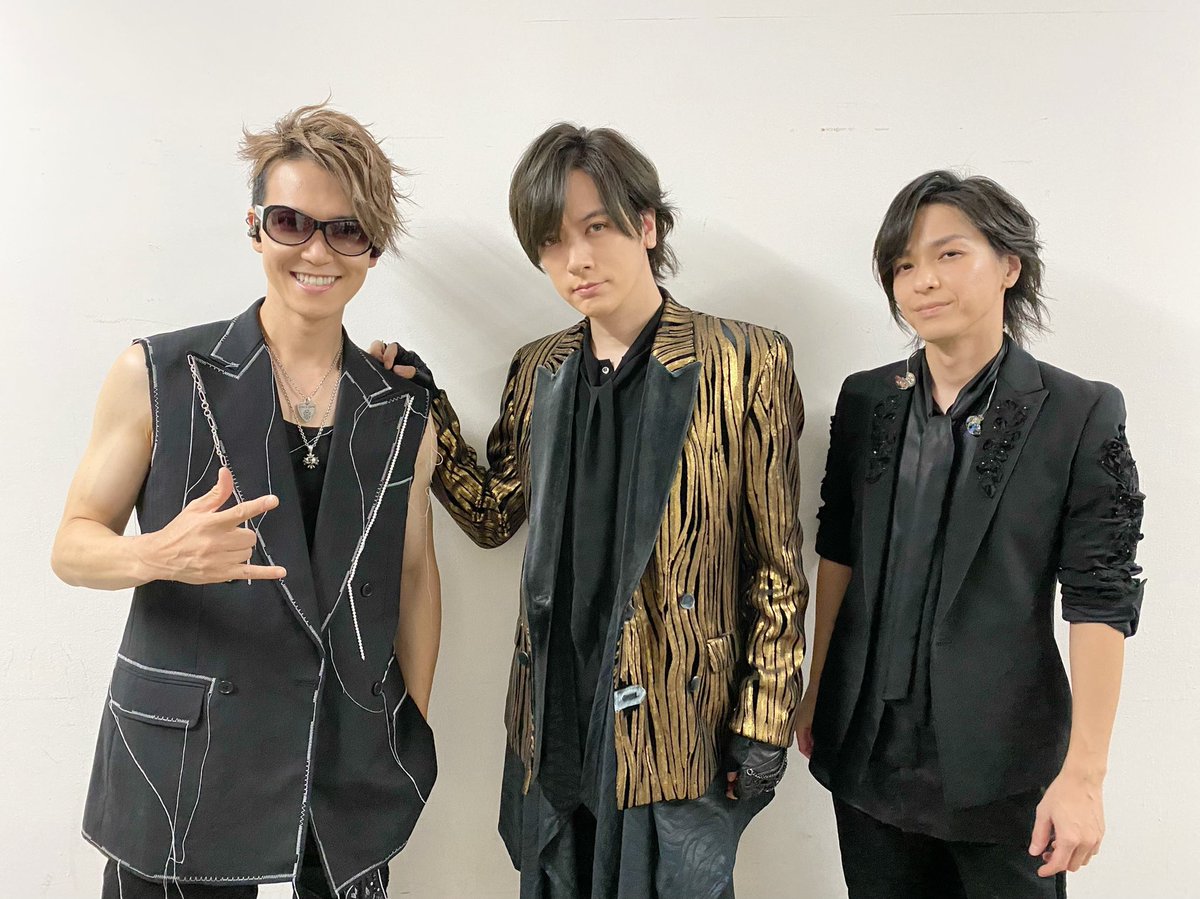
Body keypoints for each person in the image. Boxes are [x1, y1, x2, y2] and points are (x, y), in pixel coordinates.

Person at [379, 123, 807, 898]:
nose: (575, 258)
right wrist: (426, 403)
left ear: (647, 225)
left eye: (596, 227)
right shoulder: (539, 368)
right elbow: (493, 513)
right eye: (551, 240)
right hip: (555, 717)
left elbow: (775, 565)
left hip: (681, 725)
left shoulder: (745, 360)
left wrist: (766, 717)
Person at [51, 103, 440, 899]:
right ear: (256, 228)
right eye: (292, 222)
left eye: (346, 230)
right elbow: (72, 543)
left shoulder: (403, 411)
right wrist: (156, 552)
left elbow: (411, 573)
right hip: (183, 769)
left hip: (342, 776)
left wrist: (402, 723)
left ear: (373, 248)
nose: (317, 251)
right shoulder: (157, 373)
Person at [796, 170, 1145, 898]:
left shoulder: (1078, 412)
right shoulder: (867, 399)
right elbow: (839, 550)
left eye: (949, 254)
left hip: (1004, 769)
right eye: (903, 265)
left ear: (1009, 265)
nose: (923, 279)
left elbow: (1100, 596)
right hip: (866, 750)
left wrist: (1084, 776)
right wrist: (817, 683)